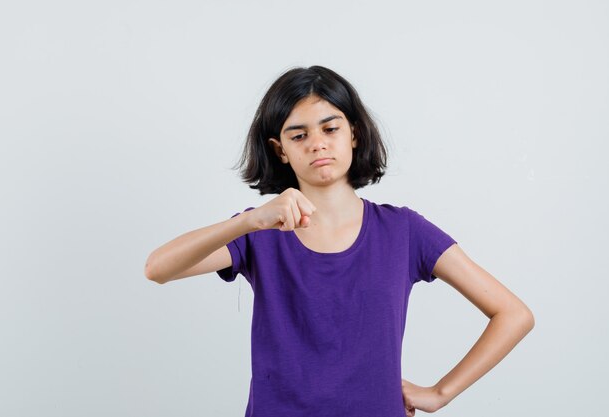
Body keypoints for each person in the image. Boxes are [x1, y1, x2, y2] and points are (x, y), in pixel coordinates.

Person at [144, 65, 535, 417]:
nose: (317, 143)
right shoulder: (259, 232)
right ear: (280, 150)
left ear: (354, 134)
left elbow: (513, 314)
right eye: (299, 135)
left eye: (330, 128)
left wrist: (440, 393)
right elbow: (158, 269)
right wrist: (249, 221)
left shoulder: (404, 231)